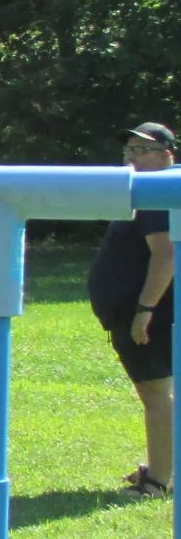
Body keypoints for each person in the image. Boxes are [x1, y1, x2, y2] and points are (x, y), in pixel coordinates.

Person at [89, 122, 178, 498]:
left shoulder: (158, 194)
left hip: (147, 314)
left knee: (156, 394)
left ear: (167, 155)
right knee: (158, 394)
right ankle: (162, 467)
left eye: (142, 150)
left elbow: (166, 254)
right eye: (128, 149)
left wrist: (144, 310)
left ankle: (157, 482)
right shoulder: (143, 193)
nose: (131, 156)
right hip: (134, 312)